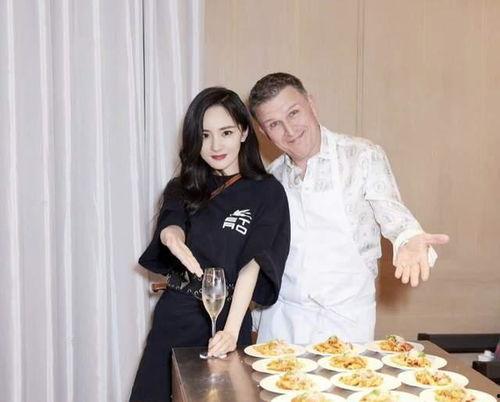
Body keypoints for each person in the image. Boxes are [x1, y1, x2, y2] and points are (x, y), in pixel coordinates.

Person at [248, 72, 449, 345]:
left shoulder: (361, 156)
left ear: (311, 104)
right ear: (264, 132)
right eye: (274, 124)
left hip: (345, 322)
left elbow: (393, 214)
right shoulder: (270, 179)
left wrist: (409, 238)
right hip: (282, 322)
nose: (290, 130)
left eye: (293, 113)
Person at [130, 87, 290, 402]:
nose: (215, 145)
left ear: (244, 132)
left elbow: (253, 263)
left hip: (228, 315)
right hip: (176, 313)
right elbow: (171, 222)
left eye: (226, 132)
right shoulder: (182, 186)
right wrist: (170, 235)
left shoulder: (267, 192)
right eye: (204, 135)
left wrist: (230, 331)